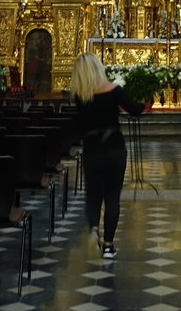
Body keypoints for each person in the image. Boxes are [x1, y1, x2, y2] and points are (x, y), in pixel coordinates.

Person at [71, 51, 145, 258]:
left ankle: (94, 227)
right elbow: (134, 110)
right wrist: (144, 102)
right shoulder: (114, 90)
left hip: (92, 148)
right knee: (112, 196)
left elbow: (83, 121)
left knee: (93, 193)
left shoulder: (80, 95)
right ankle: (109, 245)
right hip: (114, 147)